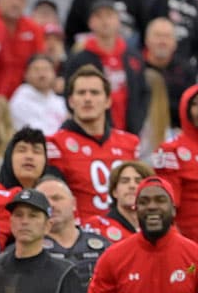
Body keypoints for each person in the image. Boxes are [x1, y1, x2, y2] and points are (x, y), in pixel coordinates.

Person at [47, 65, 141, 221]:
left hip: (125, 234)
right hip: (81, 237)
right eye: (81, 93)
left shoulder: (130, 143)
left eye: (95, 93)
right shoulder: (55, 144)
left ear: (108, 101)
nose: (88, 98)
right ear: (70, 101)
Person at [63, 0, 149, 135]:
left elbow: (143, 91)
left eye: (109, 15)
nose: (105, 21)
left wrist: (137, 122)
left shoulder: (133, 56)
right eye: (99, 16)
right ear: (90, 22)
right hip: (92, 132)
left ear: (118, 21)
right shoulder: (79, 59)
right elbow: (69, 94)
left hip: (129, 132)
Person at [155, 86, 198, 240]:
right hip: (189, 241)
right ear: (185, 109)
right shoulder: (170, 150)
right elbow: (166, 205)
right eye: (195, 104)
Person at [82, 161, 152, 243]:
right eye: (125, 181)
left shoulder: (160, 228)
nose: (132, 186)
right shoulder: (97, 226)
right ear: (114, 191)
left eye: (138, 181)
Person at [9, 55, 69, 135]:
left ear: (54, 74)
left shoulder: (60, 102)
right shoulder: (20, 101)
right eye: (36, 70)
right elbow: (38, 135)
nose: (42, 74)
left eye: (46, 69)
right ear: (26, 75)